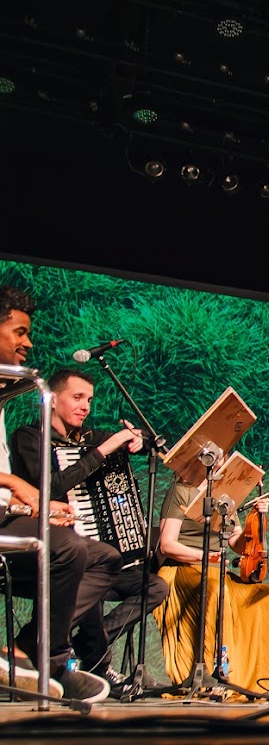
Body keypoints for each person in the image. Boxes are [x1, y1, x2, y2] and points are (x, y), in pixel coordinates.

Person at [9, 368, 170, 697]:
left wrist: (137, 441)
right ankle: (96, 665)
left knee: (153, 585)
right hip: (53, 550)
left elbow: (146, 442)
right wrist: (105, 449)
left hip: (96, 555)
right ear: (53, 400)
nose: (85, 406)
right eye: (77, 397)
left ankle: (82, 644)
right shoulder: (29, 437)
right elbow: (49, 486)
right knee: (85, 566)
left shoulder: (90, 438)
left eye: (90, 400)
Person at [0, 284, 119, 702]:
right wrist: (21, 488)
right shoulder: (30, 434)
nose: (27, 342)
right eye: (18, 332)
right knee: (71, 549)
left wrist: (27, 503)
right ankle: (50, 658)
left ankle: (27, 648)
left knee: (103, 555)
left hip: (5, 512)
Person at [155, 478, 269, 693]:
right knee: (215, 589)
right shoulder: (181, 491)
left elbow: (238, 545)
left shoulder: (226, 496)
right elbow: (167, 545)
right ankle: (215, 673)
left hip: (218, 573)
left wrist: (257, 517)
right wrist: (205, 556)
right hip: (183, 569)